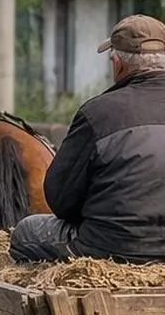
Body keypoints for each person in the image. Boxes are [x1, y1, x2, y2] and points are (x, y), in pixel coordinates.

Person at [9, 14, 165, 264]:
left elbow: (61, 201)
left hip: (109, 248)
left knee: (25, 232)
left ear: (118, 64)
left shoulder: (97, 114)